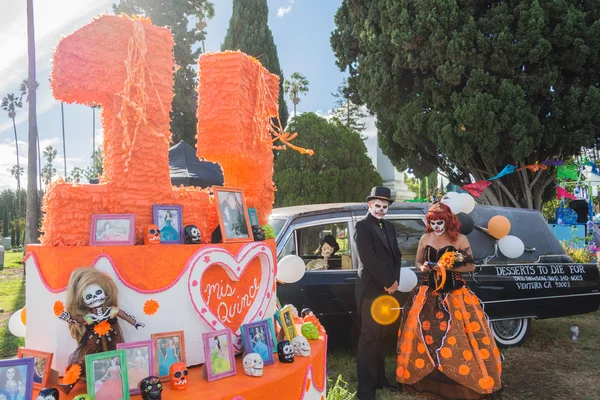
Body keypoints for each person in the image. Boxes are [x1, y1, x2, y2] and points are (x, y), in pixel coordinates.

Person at [396, 202, 502, 399]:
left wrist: (447, 268)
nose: (436, 227)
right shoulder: (425, 238)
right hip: (427, 294)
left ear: (448, 222)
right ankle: (426, 377)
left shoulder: (460, 239)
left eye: (440, 223)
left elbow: (471, 267)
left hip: (454, 295)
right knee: (426, 335)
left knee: (458, 335)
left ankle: (461, 378)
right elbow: (418, 263)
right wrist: (424, 267)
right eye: (433, 223)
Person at [355, 186, 402, 400]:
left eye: (385, 207)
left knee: (383, 336)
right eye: (377, 206)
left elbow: (397, 256)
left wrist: (395, 281)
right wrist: (388, 280)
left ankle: (381, 380)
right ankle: (366, 390)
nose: (381, 210)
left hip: (388, 290)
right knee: (369, 338)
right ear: (369, 205)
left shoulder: (389, 226)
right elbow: (368, 258)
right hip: (370, 291)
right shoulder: (362, 226)